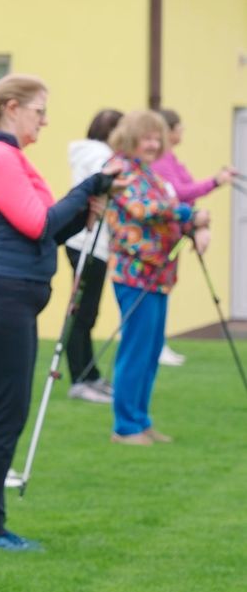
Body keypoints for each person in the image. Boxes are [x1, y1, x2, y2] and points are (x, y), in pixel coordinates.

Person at [0, 74, 117, 551]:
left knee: (7, 410)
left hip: (11, 296)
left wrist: (83, 210)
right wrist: (90, 184)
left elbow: (47, 231)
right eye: (39, 110)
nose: (45, 120)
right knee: (3, 413)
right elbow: (39, 221)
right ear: (11, 107)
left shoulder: (11, 159)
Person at [105, 110, 210, 445]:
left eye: (156, 138)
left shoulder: (146, 171)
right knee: (136, 350)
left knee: (150, 351)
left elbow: (160, 204)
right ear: (131, 137)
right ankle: (124, 426)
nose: (152, 144)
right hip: (134, 274)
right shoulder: (119, 169)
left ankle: (141, 419)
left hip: (159, 272)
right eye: (146, 137)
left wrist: (190, 222)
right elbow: (143, 209)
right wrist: (186, 212)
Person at [149, 108, 233, 367]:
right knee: (155, 291)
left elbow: (187, 189)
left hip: (177, 231)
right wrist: (216, 182)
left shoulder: (171, 158)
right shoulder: (161, 160)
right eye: (180, 127)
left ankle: (159, 344)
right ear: (169, 130)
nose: (183, 131)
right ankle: (156, 346)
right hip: (159, 238)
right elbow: (181, 193)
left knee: (165, 288)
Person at [63, 109, 124, 403]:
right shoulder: (97, 153)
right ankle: (79, 380)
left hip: (94, 244)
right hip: (85, 243)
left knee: (88, 313)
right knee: (81, 312)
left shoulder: (96, 152)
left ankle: (91, 375)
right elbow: (112, 177)